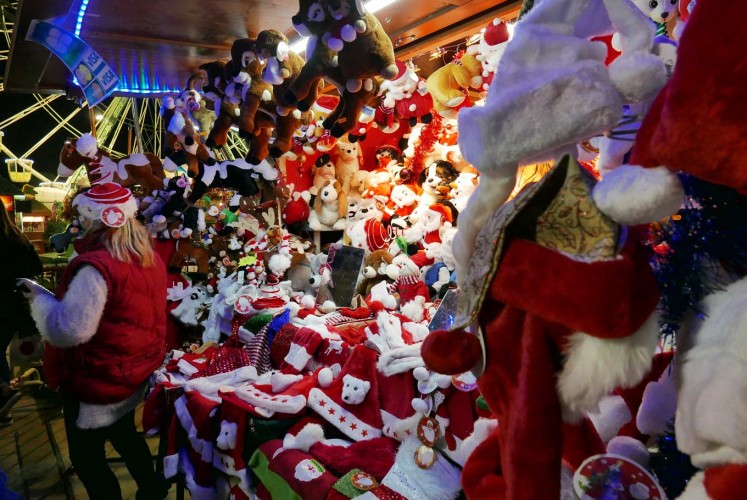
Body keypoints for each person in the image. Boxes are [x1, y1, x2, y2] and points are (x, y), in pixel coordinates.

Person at [20, 183, 169, 500]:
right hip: (132, 371)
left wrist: (38, 298)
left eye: (83, 216)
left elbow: (70, 330)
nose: (79, 222)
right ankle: (153, 489)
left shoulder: (96, 267)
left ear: (100, 219)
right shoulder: (147, 257)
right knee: (125, 433)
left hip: (97, 378)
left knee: (87, 459)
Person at [0, 205, 42, 426]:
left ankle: (4, 394)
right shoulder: (17, 238)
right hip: (14, 307)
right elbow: (35, 267)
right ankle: (4, 404)